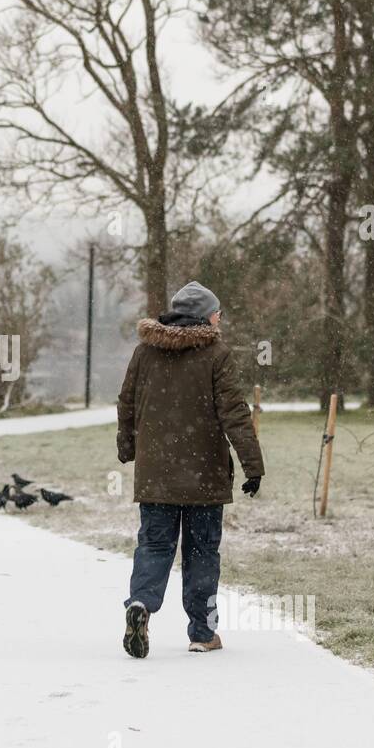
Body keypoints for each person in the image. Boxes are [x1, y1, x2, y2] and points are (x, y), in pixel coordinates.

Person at [116, 281, 264, 658]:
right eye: (217, 312)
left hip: (156, 476)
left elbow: (127, 403)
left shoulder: (144, 353)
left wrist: (128, 447)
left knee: (154, 544)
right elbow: (234, 412)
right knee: (202, 552)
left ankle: (141, 604)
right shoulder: (216, 354)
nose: (220, 319)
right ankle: (202, 632)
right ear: (204, 316)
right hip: (205, 473)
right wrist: (252, 465)